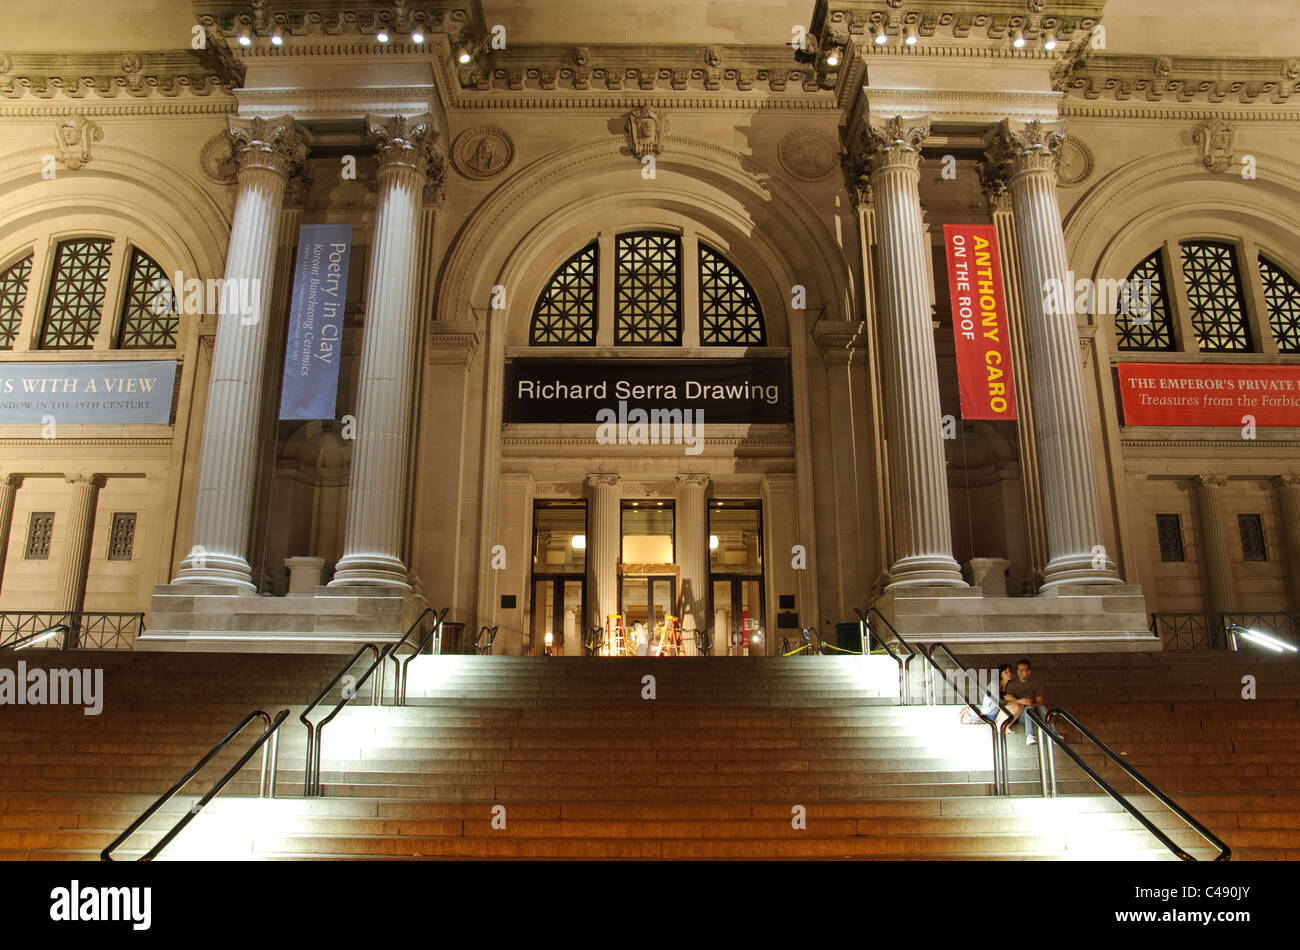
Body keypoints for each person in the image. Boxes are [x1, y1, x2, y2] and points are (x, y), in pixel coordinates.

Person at [1004, 658, 1053, 745]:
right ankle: (1029, 736)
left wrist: (1030, 703)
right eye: (1019, 670)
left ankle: (1054, 734)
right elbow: (1008, 700)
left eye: (1023, 670)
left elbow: (1040, 701)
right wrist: (1023, 702)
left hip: (1035, 713)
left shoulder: (1035, 683)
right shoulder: (1012, 684)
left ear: (1029, 672)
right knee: (1028, 708)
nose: (1020, 673)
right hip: (1020, 715)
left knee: (1042, 707)